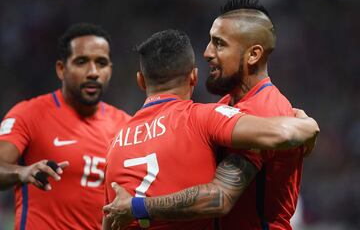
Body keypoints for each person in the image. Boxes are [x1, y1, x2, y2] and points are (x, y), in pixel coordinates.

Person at [102, 29, 319, 229]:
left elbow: (108, 218)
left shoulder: (114, 143)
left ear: (140, 81)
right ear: (194, 76)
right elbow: (279, 132)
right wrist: (307, 124)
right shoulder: (203, 117)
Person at [0, 23, 130, 230]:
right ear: (61, 69)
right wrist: (22, 172)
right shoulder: (29, 114)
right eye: (81, 62)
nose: (93, 72)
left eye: (101, 63)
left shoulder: (126, 127)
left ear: (110, 70)